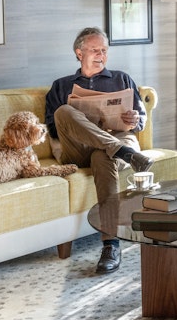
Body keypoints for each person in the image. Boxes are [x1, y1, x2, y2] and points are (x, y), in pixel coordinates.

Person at [45, 27, 153, 274]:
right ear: (79, 52)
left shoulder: (122, 79)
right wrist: (83, 120)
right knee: (64, 111)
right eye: (95, 50)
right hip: (78, 148)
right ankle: (120, 151)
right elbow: (53, 127)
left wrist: (134, 117)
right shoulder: (61, 86)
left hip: (119, 139)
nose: (101, 55)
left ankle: (111, 245)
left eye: (104, 50)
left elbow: (140, 121)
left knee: (103, 155)